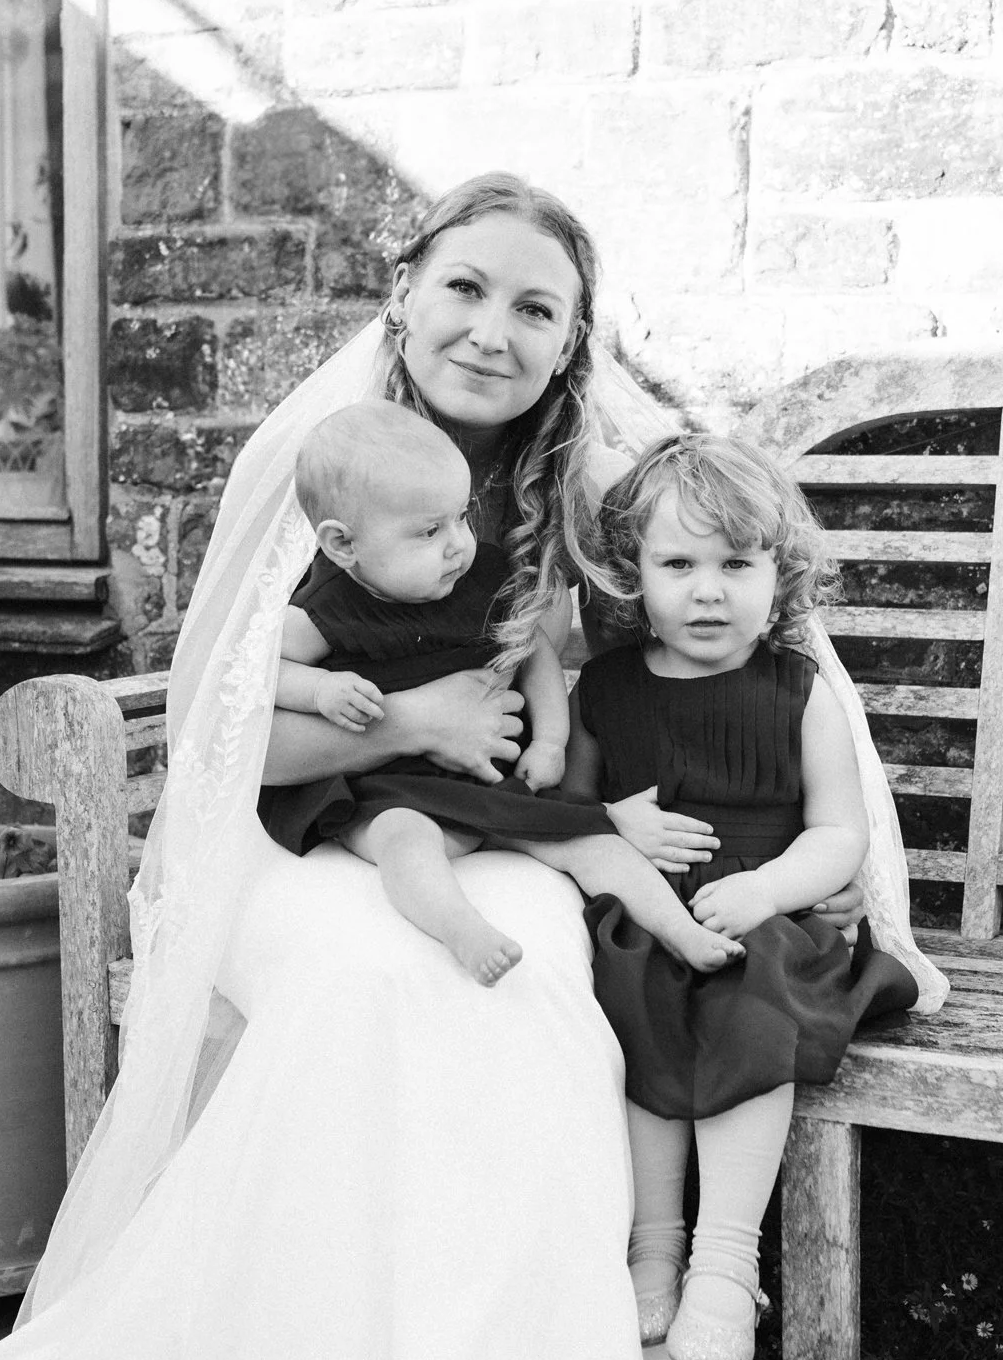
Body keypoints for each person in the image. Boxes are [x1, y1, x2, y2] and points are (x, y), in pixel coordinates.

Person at [0, 172, 947, 1360]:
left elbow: (757, 667)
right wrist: (429, 716)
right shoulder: (319, 463)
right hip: (300, 842)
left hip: (513, 836)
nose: (491, 331)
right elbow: (221, 744)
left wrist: (805, 873)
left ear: (574, 346)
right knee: (375, 984)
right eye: (465, 289)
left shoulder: (606, 491)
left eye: (534, 309)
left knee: (529, 996)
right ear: (404, 292)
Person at [569, 432, 920, 1360]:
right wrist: (614, 825)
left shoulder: (797, 692)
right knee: (624, 988)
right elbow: (568, 813)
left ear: (780, 571)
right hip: (647, 914)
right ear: (632, 574)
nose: (709, 590)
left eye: (737, 563)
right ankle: (652, 1245)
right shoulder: (604, 690)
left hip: (775, 923)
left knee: (747, 992)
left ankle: (725, 1258)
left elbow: (837, 832)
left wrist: (768, 888)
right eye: (677, 564)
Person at [265, 399, 743, 984]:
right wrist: (320, 689)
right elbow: (266, 675)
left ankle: (683, 931)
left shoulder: (479, 577)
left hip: (489, 777)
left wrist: (551, 740)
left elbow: (533, 653)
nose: (456, 545)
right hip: (385, 787)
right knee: (404, 840)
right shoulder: (323, 611)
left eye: (459, 519)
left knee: (587, 839)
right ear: (343, 545)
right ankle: (463, 930)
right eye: (427, 531)